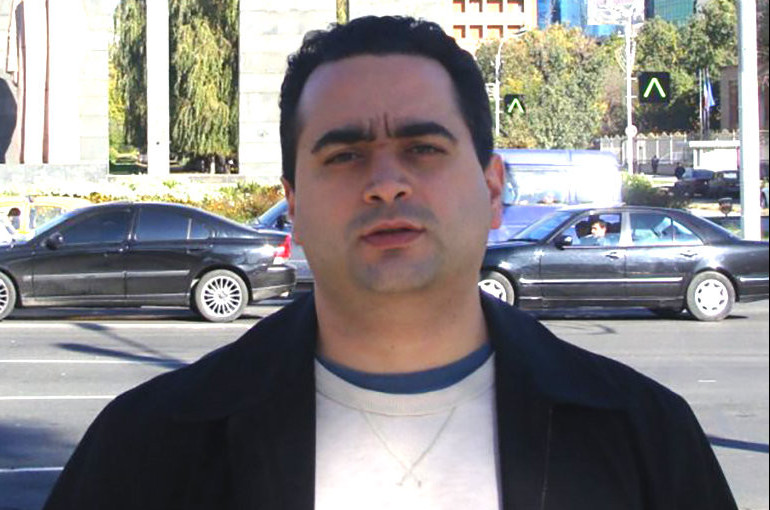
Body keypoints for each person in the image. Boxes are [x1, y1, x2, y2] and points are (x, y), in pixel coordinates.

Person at [44, 16, 737, 510]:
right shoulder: (147, 451)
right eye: (344, 155)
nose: (385, 184)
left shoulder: (645, 439)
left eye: (423, 148)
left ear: (494, 189)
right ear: (293, 205)